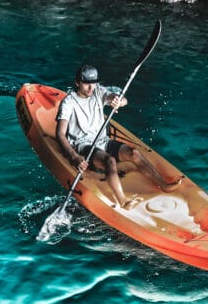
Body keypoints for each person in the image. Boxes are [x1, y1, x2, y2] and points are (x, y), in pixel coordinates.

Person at [56, 64, 183, 210]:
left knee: (133, 153)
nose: (91, 88)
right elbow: (59, 134)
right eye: (86, 83)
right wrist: (74, 156)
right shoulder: (68, 102)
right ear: (77, 82)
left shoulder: (97, 91)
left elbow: (116, 98)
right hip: (82, 145)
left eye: (93, 83)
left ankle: (164, 185)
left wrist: (118, 101)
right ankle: (123, 202)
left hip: (102, 140)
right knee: (109, 161)